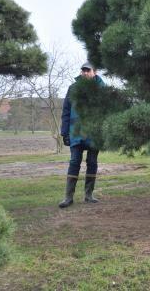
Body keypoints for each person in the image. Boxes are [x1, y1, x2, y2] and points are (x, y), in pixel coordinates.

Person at [58, 62, 105, 208]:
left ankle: (88, 195)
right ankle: (68, 197)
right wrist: (65, 132)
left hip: (94, 134)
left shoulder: (102, 89)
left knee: (92, 163)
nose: (84, 73)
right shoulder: (73, 88)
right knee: (74, 162)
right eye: (83, 70)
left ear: (94, 72)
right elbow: (66, 111)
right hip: (76, 133)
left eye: (87, 70)